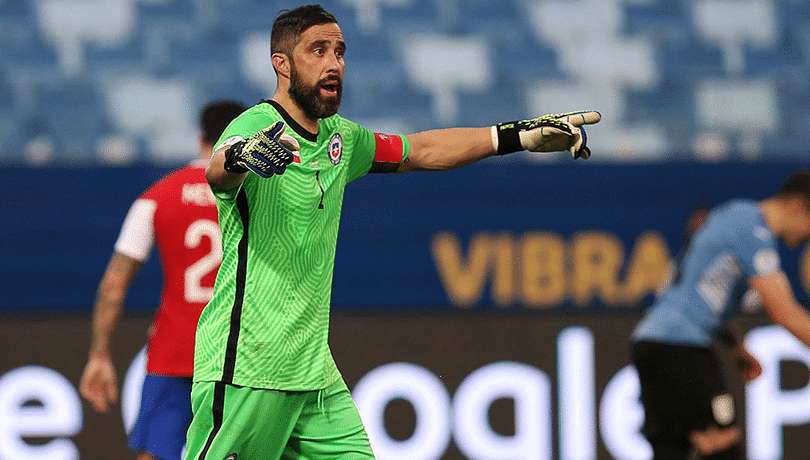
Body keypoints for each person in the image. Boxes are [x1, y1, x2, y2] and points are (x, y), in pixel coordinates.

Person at [184, 4, 600, 460]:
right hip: (248, 363)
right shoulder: (254, 127)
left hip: (312, 373)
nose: (333, 64)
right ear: (281, 64)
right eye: (317, 51)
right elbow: (218, 170)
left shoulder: (340, 139)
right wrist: (243, 156)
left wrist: (512, 138)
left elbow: (418, 150)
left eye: (340, 52)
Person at [79, 100, 247, 460]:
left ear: (201, 138)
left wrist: (99, 353)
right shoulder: (256, 196)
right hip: (239, 354)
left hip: (175, 351)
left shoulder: (157, 196)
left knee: (155, 454)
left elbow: (115, 281)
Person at [631, 171, 810, 460]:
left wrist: (735, 347)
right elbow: (784, 311)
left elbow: (699, 291)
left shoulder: (733, 217)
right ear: (798, 208)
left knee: (671, 451)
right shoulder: (752, 228)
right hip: (681, 348)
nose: (806, 237)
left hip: (651, 343)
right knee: (722, 446)